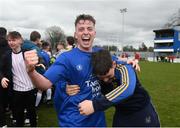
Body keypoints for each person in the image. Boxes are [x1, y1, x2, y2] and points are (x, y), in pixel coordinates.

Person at [24, 14, 106, 127]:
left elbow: (118, 63)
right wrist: (31, 71)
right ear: (76, 35)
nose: (86, 32)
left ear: (94, 33)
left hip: (98, 121)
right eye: (81, 29)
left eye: (90, 29)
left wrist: (130, 61)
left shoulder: (100, 53)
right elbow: (44, 84)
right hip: (75, 122)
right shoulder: (66, 58)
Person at [78, 49, 160, 127]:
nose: (105, 80)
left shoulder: (125, 68)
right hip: (122, 113)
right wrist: (67, 86)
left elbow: (127, 88)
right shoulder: (96, 72)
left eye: (108, 76)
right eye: (101, 78)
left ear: (113, 64)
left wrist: (95, 105)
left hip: (141, 110)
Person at [0, 31, 37, 127]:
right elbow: (1, 69)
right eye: (9, 40)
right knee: (18, 116)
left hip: (30, 89)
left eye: (13, 40)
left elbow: (38, 60)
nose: (11, 42)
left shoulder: (27, 53)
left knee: (32, 114)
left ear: (20, 40)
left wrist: (39, 63)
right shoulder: (7, 56)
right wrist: (2, 78)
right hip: (16, 91)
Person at [0, 27, 10, 127]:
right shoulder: (9, 45)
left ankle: (2, 123)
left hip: (1, 74)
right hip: (8, 75)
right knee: (5, 98)